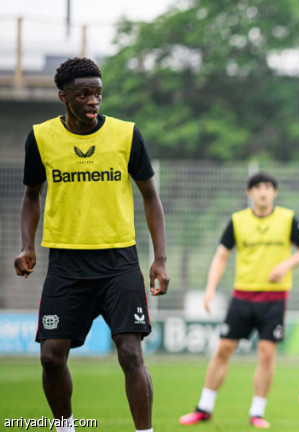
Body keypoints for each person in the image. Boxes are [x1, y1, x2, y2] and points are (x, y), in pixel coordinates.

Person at [13, 57, 170, 432]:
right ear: (63, 97)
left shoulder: (126, 135)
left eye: (98, 93)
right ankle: (65, 427)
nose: (93, 101)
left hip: (119, 261)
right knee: (51, 358)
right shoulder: (41, 137)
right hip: (66, 263)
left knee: (130, 353)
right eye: (83, 94)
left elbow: (150, 196)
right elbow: (31, 196)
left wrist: (160, 259)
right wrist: (27, 246)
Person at [179, 172, 299, 429]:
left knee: (266, 353)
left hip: (274, 298)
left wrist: (285, 264)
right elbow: (221, 256)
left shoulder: (288, 219)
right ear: (250, 193)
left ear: (274, 193)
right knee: (223, 349)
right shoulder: (238, 221)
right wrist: (210, 288)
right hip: (243, 296)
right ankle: (204, 408)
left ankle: (257, 412)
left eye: (268, 187)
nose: (263, 192)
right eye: (257, 187)